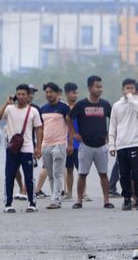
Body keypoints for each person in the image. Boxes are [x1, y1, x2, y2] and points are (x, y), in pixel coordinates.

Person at [0, 84, 44, 213]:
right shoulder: (10, 109)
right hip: (12, 149)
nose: (21, 97)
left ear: (28, 96)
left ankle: (32, 203)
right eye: (19, 94)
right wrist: (6, 103)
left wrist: (38, 147)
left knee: (29, 177)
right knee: (9, 175)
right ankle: (8, 204)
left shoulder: (33, 111)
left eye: (23, 94)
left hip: (27, 148)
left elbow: (39, 128)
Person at [67, 75, 114, 209]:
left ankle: (106, 200)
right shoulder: (81, 105)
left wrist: (110, 134)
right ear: (89, 88)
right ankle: (79, 201)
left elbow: (113, 119)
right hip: (85, 145)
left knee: (103, 174)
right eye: (97, 87)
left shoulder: (105, 104)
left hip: (101, 145)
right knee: (82, 174)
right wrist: (74, 133)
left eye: (101, 87)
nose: (100, 89)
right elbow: (69, 118)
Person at [108, 78, 138, 211]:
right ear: (122, 89)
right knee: (123, 175)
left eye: (132, 88)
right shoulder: (117, 106)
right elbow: (113, 125)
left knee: (136, 175)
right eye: (127, 88)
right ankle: (126, 199)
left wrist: (131, 98)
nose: (129, 91)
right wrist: (112, 145)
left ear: (135, 90)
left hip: (135, 143)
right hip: (121, 145)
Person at [39, 82, 72, 209]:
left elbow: (70, 127)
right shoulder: (43, 109)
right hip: (46, 145)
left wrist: (69, 144)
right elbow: (41, 128)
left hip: (60, 144)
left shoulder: (64, 108)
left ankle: (56, 200)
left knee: (58, 173)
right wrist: (39, 146)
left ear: (57, 93)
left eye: (51, 92)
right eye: (47, 92)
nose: (48, 94)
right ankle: (55, 197)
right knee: (50, 173)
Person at [63, 82, 82, 201]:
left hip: (79, 143)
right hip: (66, 142)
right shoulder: (64, 108)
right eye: (73, 93)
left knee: (81, 170)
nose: (75, 95)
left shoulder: (80, 107)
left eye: (76, 93)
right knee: (69, 169)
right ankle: (69, 193)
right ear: (66, 94)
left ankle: (83, 193)